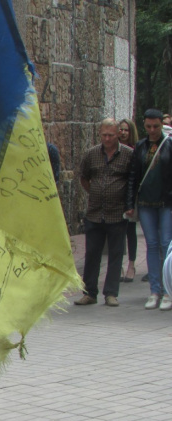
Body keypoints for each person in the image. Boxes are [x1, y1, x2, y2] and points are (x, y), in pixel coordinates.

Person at [74, 118, 133, 307]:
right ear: (100, 134)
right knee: (92, 254)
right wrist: (95, 191)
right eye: (104, 135)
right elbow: (84, 177)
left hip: (117, 213)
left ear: (118, 135)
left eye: (111, 135)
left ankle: (111, 293)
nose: (107, 139)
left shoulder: (128, 155)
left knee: (115, 254)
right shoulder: (91, 154)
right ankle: (89, 292)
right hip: (95, 212)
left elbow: (132, 181)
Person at [126, 108, 172, 310]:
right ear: (143, 125)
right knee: (151, 245)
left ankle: (168, 291)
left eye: (156, 126)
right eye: (148, 126)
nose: (152, 130)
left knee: (166, 244)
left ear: (162, 125)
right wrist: (129, 203)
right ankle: (155, 290)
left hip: (166, 203)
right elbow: (133, 176)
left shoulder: (169, 144)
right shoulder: (140, 146)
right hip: (145, 203)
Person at [118, 118, 139, 282]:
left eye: (126, 130)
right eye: (121, 129)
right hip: (117, 195)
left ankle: (131, 264)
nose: (123, 133)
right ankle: (118, 266)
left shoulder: (136, 150)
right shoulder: (114, 150)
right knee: (117, 231)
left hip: (130, 196)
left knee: (130, 231)